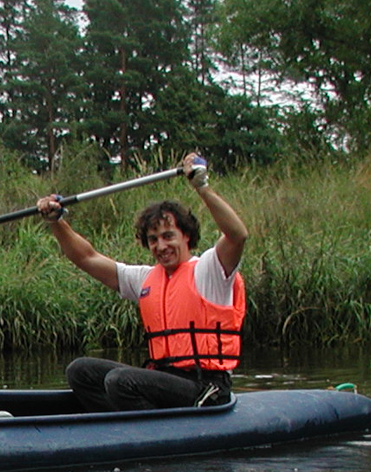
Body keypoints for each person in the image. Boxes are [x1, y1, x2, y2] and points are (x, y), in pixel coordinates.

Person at [36, 153, 248, 411]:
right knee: (80, 371)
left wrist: (202, 187)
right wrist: (56, 222)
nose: (161, 246)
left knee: (121, 381)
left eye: (168, 236)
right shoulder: (145, 278)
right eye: (153, 239)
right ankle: (114, 424)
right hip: (162, 380)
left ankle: (143, 425)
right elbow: (86, 257)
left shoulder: (209, 269)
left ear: (186, 236)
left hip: (205, 387)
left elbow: (237, 235)